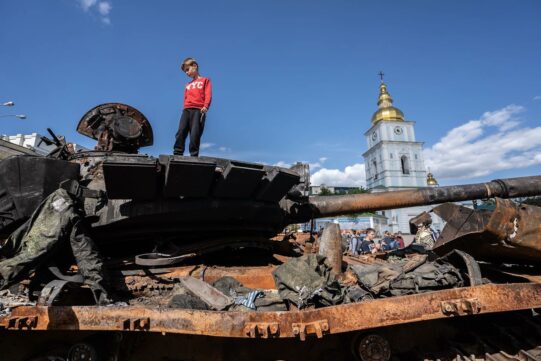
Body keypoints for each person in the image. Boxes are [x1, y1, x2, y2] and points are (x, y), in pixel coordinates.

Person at [173, 57, 213, 157]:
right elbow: (186, 98)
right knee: (181, 131)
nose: (186, 73)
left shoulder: (205, 80)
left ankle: (194, 155)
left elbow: (208, 94)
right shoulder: (188, 85)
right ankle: (177, 153)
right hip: (186, 110)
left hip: (198, 110)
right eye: (185, 71)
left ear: (194, 66)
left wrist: (206, 106)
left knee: (195, 134)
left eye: (187, 69)